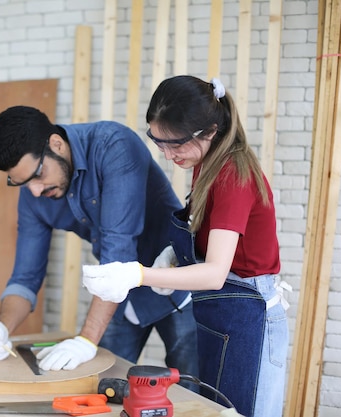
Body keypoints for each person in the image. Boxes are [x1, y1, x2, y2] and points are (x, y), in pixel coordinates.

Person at [82, 75, 290, 417]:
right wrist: (175, 260)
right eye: (158, 142)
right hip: (222, 316)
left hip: (248, 318)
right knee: (215, 410)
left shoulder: (231, 176)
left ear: (209, 131)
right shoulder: (205, 164)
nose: (166, 154)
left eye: (175, 144)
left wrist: (138, 274)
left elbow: (214, 273)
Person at [0, 105, 198, 384]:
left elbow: (119, 251)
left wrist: (86, 339)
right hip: (120, 295)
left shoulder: (114, 146)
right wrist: (1, 328)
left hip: (176, 281)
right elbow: (25, 277)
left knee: (191, 389)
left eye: (38, 176)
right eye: (21, 183)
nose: (34, 191)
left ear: (55, 144)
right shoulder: (34, 192)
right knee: (103, 387)